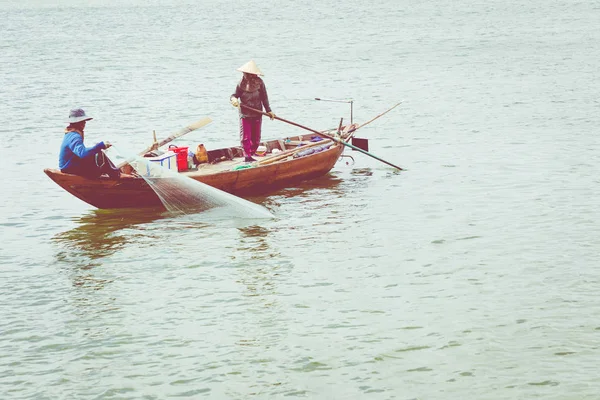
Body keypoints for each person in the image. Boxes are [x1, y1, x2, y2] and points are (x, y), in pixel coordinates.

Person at [229, 60, 276, 162]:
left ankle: (251, 153)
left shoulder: (260, 83)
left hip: (257, 113)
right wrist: (234, 100)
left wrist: (269, 111)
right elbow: (234, 95)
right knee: (246, 137)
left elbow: (264, 98)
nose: (246, 75)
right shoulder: (241, 84)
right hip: (245, 114)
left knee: (256, 139)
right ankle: (247, 156)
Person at [59, 108, 121, 179]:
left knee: (96, 155)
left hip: (69, 166)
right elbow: (82, 154)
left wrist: (97, 147)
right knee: (100, 155)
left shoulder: (70, 133)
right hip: (69, 168)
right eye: (83, 121)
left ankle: (114, 172)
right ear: (78, 122)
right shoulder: (74, 136)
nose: (84, 123)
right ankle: (117, 175)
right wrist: (100, 146)